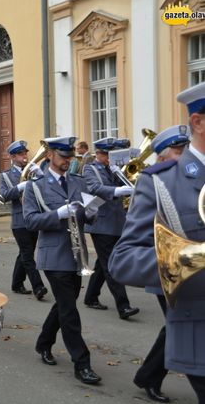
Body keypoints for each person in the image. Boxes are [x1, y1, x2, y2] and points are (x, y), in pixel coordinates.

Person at [109, 82, 205, 403]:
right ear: (199, 122)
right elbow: (122, 260)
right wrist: (192, 257)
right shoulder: (161, 182)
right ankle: (149, 376)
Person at [111, 126, 189, 403]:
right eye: (180, 151)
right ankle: (149, 376)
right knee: (177, 328)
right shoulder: (156, 185)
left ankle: (147, 375)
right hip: (168, 273)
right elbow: (134, 247)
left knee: (177, 328)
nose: (186, 156)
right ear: (164, 157)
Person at [22, 136, 101, 385]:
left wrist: (92, 213)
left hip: (77, 255)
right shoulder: (36, 186)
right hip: (53, 256)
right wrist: (57, 214)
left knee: (65, 304)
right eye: (63, 156)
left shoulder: (78, 182)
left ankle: (43, 342)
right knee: (69, 310)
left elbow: (88, 217)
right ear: (50, 156)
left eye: (70, 157)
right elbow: (30, 221)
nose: (68, 161)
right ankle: (82, 363)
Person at [81, 138, 140, 319]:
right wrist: (117, 191)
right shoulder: (90, 168)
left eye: (112, 155)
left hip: (117, 222)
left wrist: (122, 174)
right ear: (98, 154)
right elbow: (94, 187)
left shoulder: (114, 169)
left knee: (102, 264)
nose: (109, 158)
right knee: (110, 265)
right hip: (101, 223)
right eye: (107, 154)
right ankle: (123, 306)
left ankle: (90, 297)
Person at [0, 140, 48, 299]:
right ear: (13, 157)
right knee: (28, 255)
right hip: (20, 221)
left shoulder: (34, 171)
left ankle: (16, 283)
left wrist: (41, 176)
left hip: (34, 218)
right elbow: (4, 196)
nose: (25, 156)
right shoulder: (5, 175)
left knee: (25, 252)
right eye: (20, 154)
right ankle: (38, 287)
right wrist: (20, 186)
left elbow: (47, 192)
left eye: (25, 153)